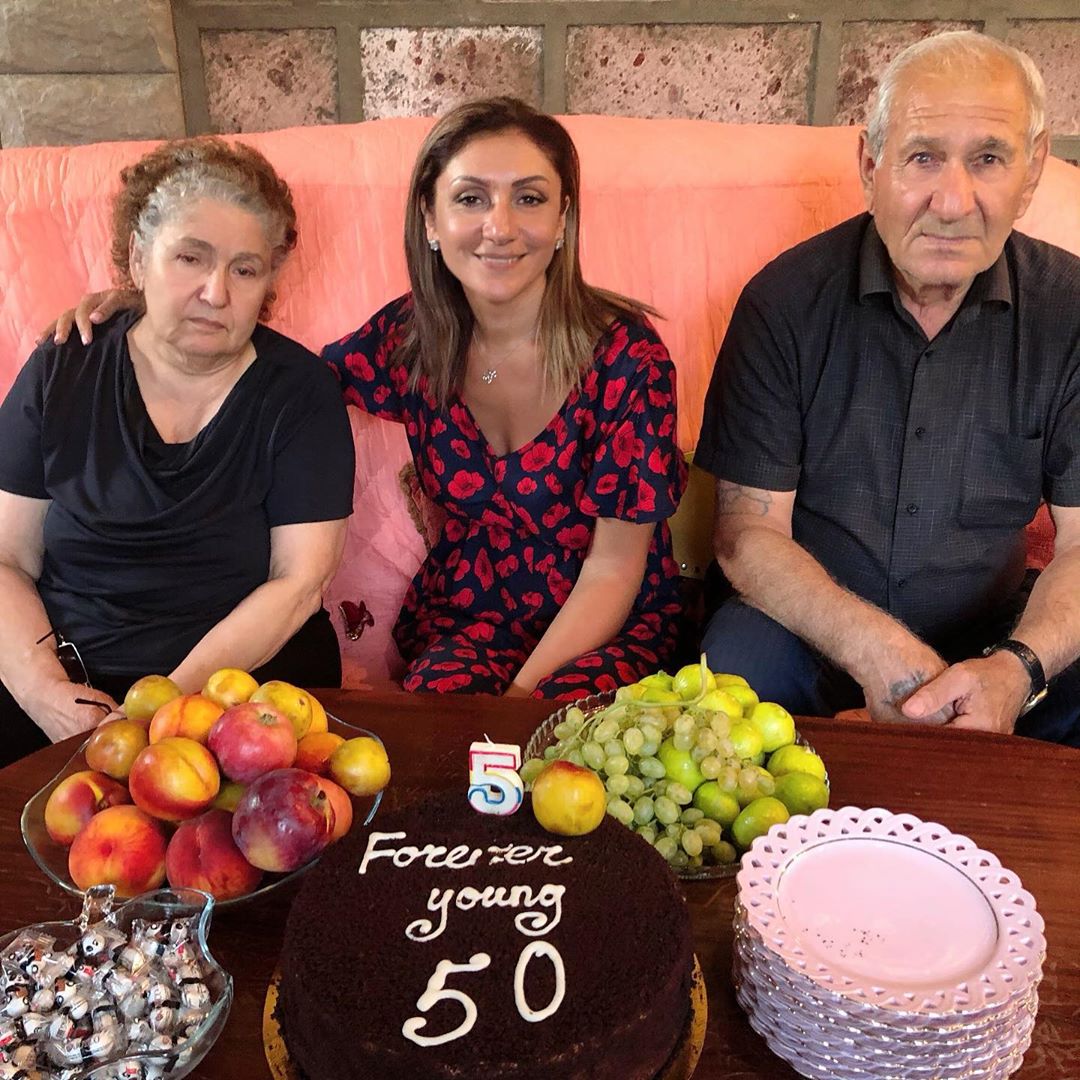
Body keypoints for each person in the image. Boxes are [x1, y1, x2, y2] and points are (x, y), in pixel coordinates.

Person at [51, 98, 687, 701]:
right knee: (431, 743)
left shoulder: (628, 361)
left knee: (565, 742)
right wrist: (151, 308)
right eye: (470, 198)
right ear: (430, 220)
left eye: (529, 198)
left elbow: (613, 570)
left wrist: (516, 705)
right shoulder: (410, 338)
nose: (500, 227)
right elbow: (285, 384)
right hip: (473, 619)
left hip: (601, 623)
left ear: (563, 219)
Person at [696, 31, 1080, 746]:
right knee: (736, 675)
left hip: (996, 639)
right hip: (813, 627)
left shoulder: (1071, 311)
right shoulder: (784, 302)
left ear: (1031, 172)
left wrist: (1015, 670)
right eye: (923, 157)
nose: (952, 201)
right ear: (871, 165)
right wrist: (876, 650)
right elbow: (747, 535)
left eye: (988, 159)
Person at [0, 137, 354, 766]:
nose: (216, 292)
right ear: (139, 259)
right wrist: (45, 693)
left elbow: (301, 582)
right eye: (191, 257)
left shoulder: (300, 391)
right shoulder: (62, 368)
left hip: (242, 682)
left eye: (245, 269)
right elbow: (5, 558)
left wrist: (163, 711)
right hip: (66, 675)